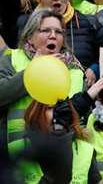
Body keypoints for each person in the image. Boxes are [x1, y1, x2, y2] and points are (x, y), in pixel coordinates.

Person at [0, 9, 89, 157]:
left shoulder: (76, 72)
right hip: (18, 155)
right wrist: (35, 70)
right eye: (45, 30)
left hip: (61, 155)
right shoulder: (12, 58)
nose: (53, 36)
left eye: (58, 32)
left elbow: (80, 120)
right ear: (29, 37)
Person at [20, 100, 101, 183]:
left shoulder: (85, 150)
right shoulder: (21, 149)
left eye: (62, 108)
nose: (58, 114)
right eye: (50, 108)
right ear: (37, 113)